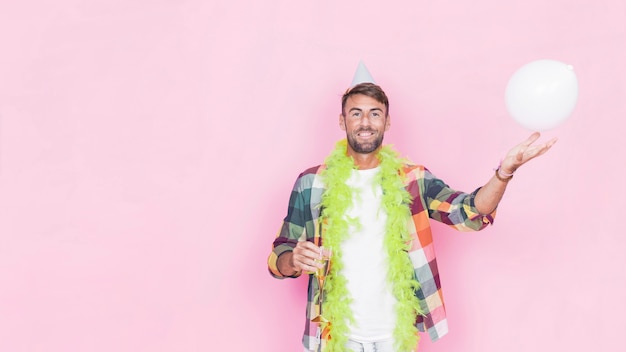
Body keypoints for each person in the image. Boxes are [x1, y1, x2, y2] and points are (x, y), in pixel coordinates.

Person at [268, 67, 556, 352]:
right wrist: (292, 260)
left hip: (396, 336)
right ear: (342, 121)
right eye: (356, 113)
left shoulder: (413, 180)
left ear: (387, 122)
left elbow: (470, 214)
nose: (365, 122)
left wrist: (504, 172)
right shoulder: (312, 183)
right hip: (333, 334)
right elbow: (278, 257)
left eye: (375, 113)